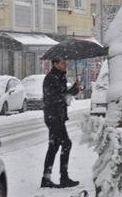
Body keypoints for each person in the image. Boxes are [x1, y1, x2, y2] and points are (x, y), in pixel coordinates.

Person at [41, 59, 80, 188]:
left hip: (58, 116)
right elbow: (54, 97)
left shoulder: (60, 77)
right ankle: (63, 177)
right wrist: (68, 92)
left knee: (54, 146)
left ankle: (46, 178)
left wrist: (74, 90)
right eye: (63, 63)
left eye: (66, 63)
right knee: (66, 144)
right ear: (55, 64)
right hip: (53, 117)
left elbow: (63, 96)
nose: (66, 65)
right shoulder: (50, 78)